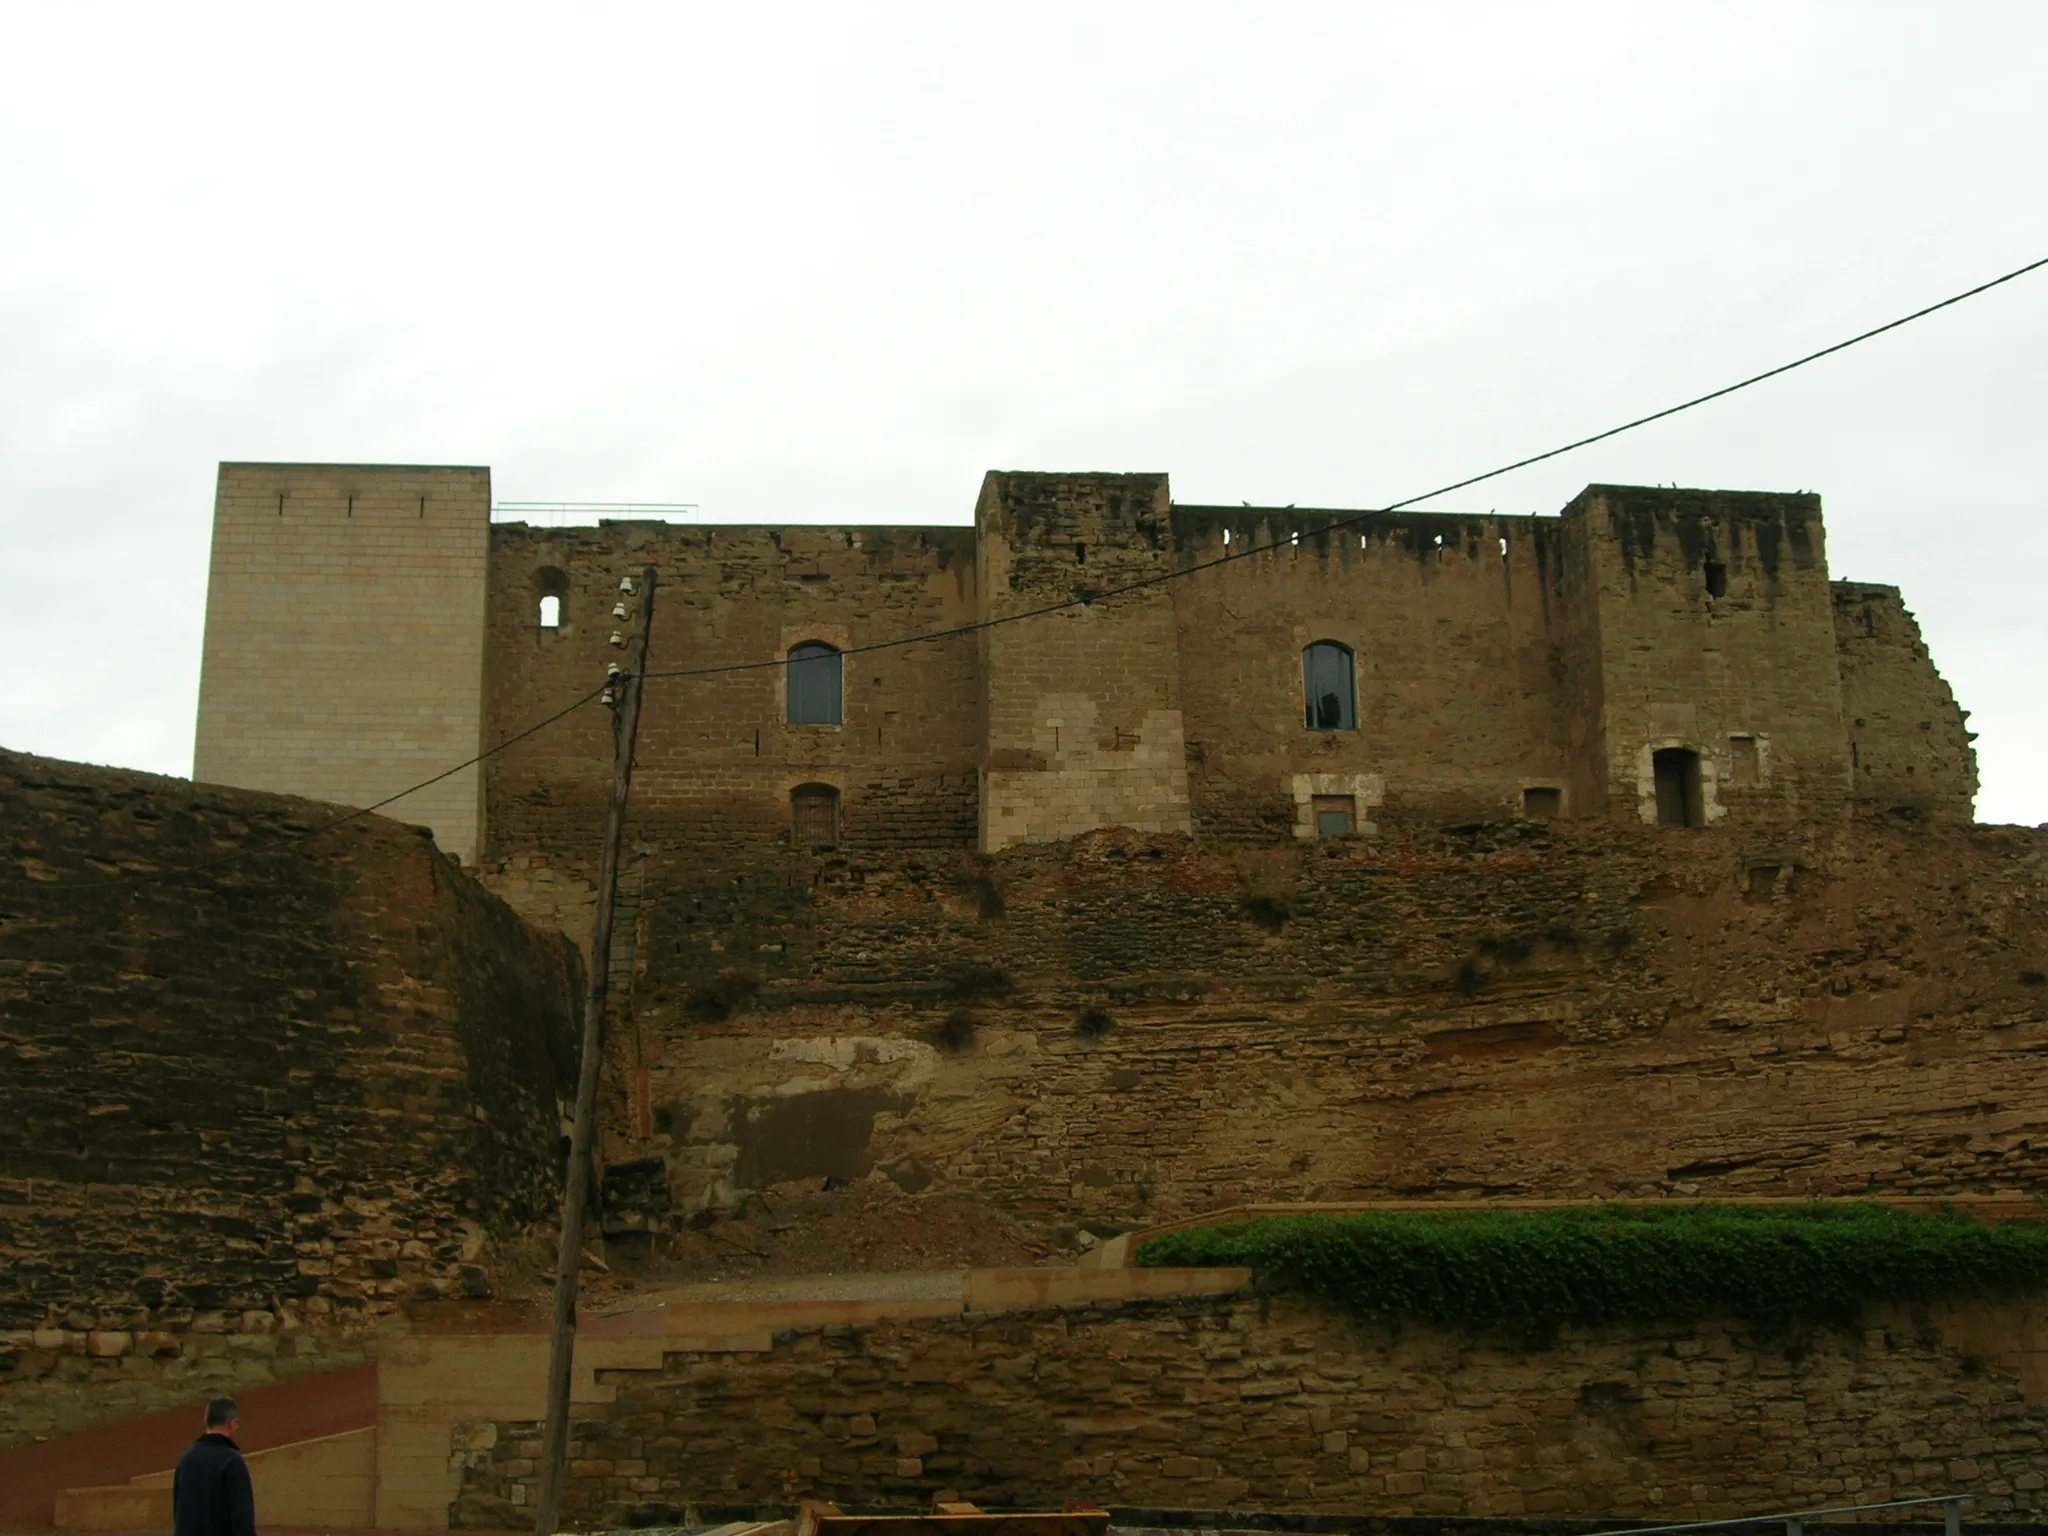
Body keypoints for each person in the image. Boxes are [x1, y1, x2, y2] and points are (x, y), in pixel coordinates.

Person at [171, 1396, 257, 1536]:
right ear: (233, 1424)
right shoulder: (232, 1462)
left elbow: (178, 1514)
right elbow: (242, 1521)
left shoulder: (186, 1460)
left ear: (206, 1422)